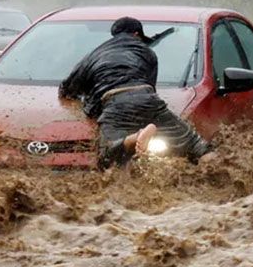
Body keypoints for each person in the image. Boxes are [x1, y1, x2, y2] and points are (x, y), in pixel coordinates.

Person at [59, 16, 213, 169]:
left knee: (106, 158)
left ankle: (135, 137)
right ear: (137, 34)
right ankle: (219, 173)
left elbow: (66, 89)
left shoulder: (94, 55)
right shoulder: (148, 53)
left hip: (115, 103)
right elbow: (151, 88)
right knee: (197, 145)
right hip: (147, 98)